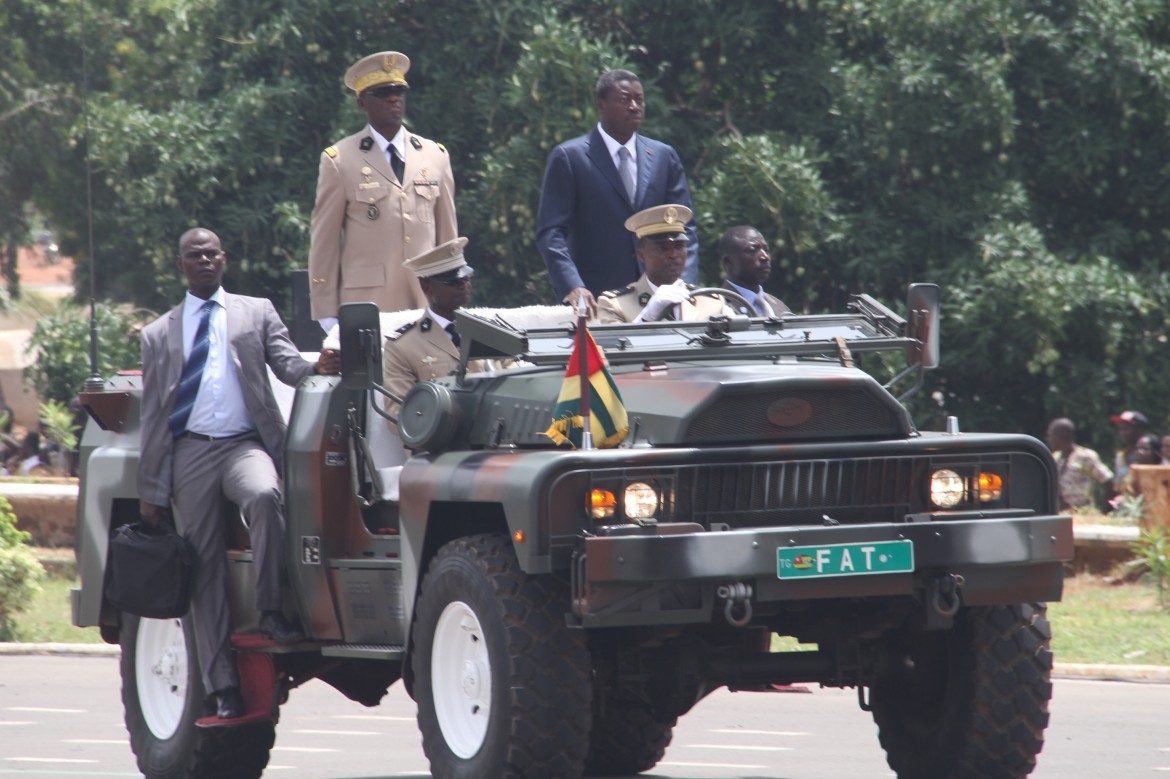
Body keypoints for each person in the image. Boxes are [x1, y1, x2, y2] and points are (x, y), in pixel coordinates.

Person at [138, 227, 340, 721]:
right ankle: (222, 684)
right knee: (203, 566)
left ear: (224, 259)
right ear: (181, 264)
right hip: (190, 452)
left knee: (267, 496)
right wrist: (152, 491)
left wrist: (320, 366)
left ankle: (272, 611)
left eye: (211, 253)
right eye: (194, 255)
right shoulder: (159, 333)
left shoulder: (256, 311)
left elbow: (289, 366)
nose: (204, 260)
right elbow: (153, 417)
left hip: (244, 444)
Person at [309, 51, 457, 332]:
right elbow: (324, 243)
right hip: (368, 304)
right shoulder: (340, 159)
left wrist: (452, 298)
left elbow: (448, 239)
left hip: (427, 301)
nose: (393, 98)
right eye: (382, 92)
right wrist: (326, 313)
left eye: (399, 91)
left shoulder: (434, 155)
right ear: (362, 101)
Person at [537, 69, 699, 318]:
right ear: (602, 105)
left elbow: (686, 227)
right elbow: (551, 232)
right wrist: (572, 285)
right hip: (598, 300)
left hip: (662, 295)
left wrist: (685, 285)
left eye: (640, 100)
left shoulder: (663, 156)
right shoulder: (571, 157)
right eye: (625, 100)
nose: (634, 107)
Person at [382, 237, 481, 431]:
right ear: (425, 286)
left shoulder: (488, 333)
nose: (463, 285)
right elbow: (397, 415)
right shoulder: (402, 346)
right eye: (452, 281)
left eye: (466, 278)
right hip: (439, 451)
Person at [598, 205, 727, 324]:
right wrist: (647, 317)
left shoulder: (711, 301)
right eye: (662, 248)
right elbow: (616, 347)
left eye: (679, 246)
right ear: (641, 255)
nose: (673, 254)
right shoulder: (615, 304)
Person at [718, 225, 792, 317]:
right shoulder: (716, 306)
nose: (765, 257)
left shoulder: (780, 307)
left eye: (766, 250)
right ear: (728, 261)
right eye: (753, 250)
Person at [1046, 417, 1113, 511]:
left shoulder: (1085, 456)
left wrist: (1104, 510)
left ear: (1061, 435)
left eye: (1050, 435)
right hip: (1061, 513)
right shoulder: (1055, 458)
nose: (1049, 439)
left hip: (1082, 513)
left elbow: (1108, 481)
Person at [1110, 409, 1149, 496]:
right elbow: (1117, 487)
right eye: (1121, 429)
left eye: (1126, 429)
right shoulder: (1120, 456)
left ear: (1140, 430)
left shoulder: (1153, 455)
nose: (1122, 433)